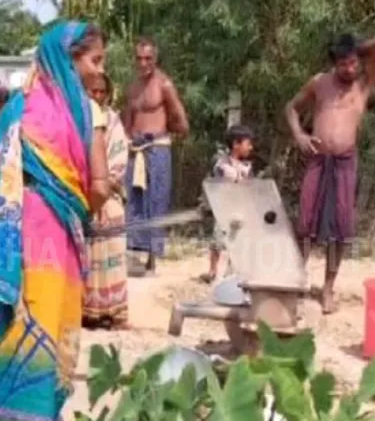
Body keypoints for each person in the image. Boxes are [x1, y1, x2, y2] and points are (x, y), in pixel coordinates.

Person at [0, 21, 111, 421]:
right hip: (57, 233)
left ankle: (25, 420)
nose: (99, 72)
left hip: (18, 231)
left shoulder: (19, 108)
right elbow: (100, 184)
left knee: (27, 318)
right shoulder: (86, 112)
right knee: (54, 320)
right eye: (94, 61)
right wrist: (90, 203)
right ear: (69, 60)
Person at [285, 33, 375, 313]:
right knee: (305, 225)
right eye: (343, 64)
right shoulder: (319, 83)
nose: (350, 69)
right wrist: (299, 135)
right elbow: (291, 108)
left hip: (344, 163)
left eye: (353, 62)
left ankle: (328, 288)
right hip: (317, 161)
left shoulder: (365, 84)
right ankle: (295, 281)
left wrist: (351, 48)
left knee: (339, 229)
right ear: (334, 64)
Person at [123, 37, 189, 275]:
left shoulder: (164, 85)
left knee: (156, 201)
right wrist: (129, 140)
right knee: (134, 201)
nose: (143, 63)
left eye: (148, 58)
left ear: (155, 59)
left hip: (157, 148)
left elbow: (181, 121)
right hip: (136, 150)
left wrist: (161, 135)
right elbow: (127, 120)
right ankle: (135, 252)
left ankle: (153, 259)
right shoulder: (132, 87)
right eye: (139, 58)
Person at [83, 74, 131, 329]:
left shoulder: (113, 122)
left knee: (111, 252)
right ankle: (87, 311)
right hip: (83, 196)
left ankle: (112, 311)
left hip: (108, 195)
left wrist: (104, 184)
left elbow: (119, 157)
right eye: (92, 91)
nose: (97, 96)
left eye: (102, 92)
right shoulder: (77, 119)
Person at [202, 124, 256, 283]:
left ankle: (232, 272)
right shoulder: (221, 164)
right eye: (248, 143)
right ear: (236, 144)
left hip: (240, 209)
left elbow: (250, 184)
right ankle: (212, 270)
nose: (250, 147)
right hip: (223, 208)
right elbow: (218, 183)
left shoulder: (247, 166)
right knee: (218, 239)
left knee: (238, 241)